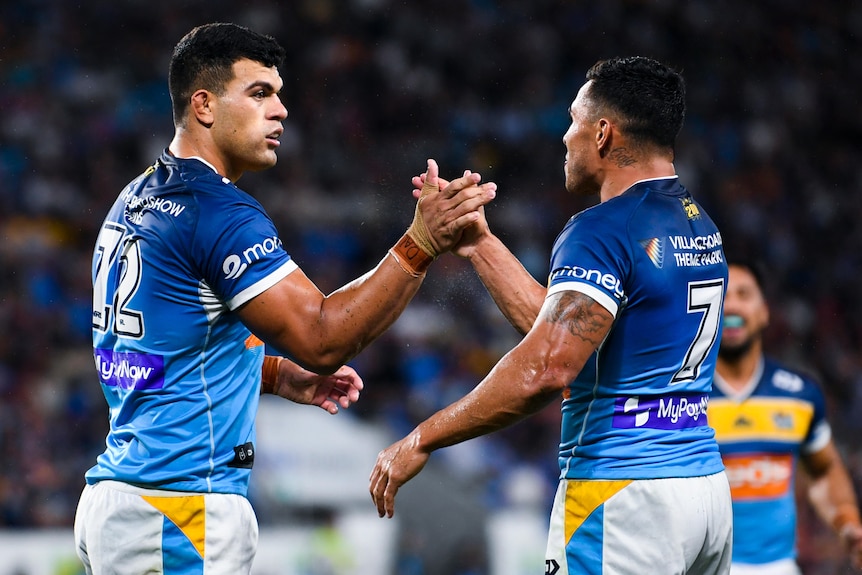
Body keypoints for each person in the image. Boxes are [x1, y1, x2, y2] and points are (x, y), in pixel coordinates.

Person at [74, 22, 496, 574]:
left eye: (278, 94)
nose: (281, 111)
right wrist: (420, 243)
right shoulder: (218, 212)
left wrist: (272, 374)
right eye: (259, 93)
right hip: (177, 510)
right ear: (204, 105)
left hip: (127, 498)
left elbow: (165, 344)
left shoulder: (135, 197)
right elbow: (323, 340)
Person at [369, 56, 733, 574]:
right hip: (703, 491)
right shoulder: (699, 225)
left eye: (573, 121)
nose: (565, 137)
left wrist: (422, 436)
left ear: (603, 133)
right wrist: (480, 244)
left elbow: (548, 367)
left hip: (622, 494)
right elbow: (568, 331)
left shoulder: (603, 229)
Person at [709, 260, 862, 574]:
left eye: (743, 294)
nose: (732, 305)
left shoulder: (799, 396)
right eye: (722, 297)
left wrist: (848, 525)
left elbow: (822, 473)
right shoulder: (681, 400)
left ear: (765, 312)